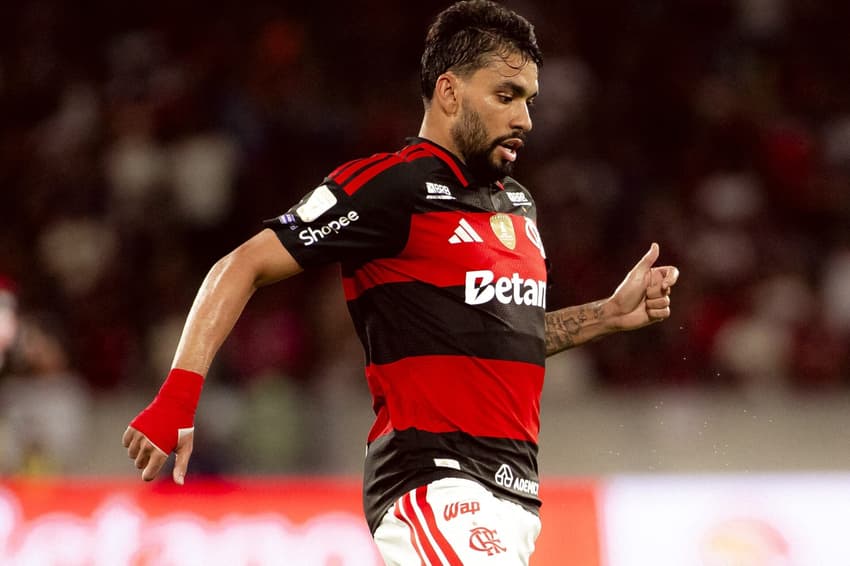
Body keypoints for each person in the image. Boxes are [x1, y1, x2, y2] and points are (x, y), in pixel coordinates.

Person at [123, 1, 680, 563]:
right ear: (450, 92)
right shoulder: (392, 187)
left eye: (528, 100)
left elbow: (505, 337)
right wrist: (177, 399)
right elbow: (240, 266)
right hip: (433, 484)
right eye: (506, 96)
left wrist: (609, 315)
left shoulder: (518, 205)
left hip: (514, 498)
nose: (525, 120)